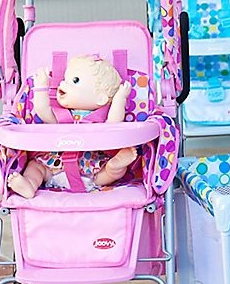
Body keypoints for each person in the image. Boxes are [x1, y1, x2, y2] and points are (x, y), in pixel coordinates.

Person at [7, 55, 136, 198]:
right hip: (53, 166)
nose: (63, 84)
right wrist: (41, 87)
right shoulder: (60, 115)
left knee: (111, 172)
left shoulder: (100, 119)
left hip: (92, 170)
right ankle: (29, 185)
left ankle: (115, 165)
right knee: (35, 167)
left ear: (101, 97)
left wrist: (120, 99)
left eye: (74, 81)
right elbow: (42, 110)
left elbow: (114, 123)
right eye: (65, 79)